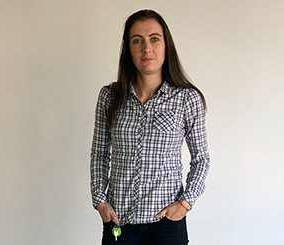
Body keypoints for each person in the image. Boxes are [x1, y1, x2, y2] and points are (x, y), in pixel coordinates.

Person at [90, 9, 210, 245]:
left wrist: (186, 203)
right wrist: (100, 201)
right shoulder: (110, 97)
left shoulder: (187, 99)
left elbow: (201, 158)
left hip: (166, 224)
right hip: (119, 222)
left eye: (154, 39)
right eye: (137, 41)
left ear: (166, 45)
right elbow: (99, 154)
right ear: (128, 49)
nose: (147, 48)